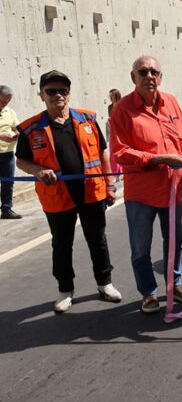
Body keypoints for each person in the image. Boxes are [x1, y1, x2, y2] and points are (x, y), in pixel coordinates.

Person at [15, 71, 121, 313]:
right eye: (51, 91)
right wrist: (38, 170)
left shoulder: (88, 119)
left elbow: (103, 153)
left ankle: (105, 283)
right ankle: (65, 290)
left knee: (98, 240)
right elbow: (21, 161)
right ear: (42, 95)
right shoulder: (31, 129)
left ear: (69, 94)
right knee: (61, 244)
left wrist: (110, 185)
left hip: (91, 193)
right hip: (56, 196)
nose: (58, 95)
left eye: (63, 90)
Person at [110, 55, 182, 314]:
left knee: (175, 242)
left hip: (174, 190)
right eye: (143, 72)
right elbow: (120, 151)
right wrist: (159, 159)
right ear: (133, 77)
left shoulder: (170, 102)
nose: (149, 76)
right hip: (141, 194)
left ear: (161, 77)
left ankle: (175, 284)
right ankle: (148, 293)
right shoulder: (123, 109)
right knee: (141, 247)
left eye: (154, 72)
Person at [0, 85, 21, 219]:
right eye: (2, 102)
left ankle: (7, 209)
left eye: (7, 102)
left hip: (7, 153)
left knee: (8, 182)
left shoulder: (10, 112)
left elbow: (16, 127)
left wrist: (17, 134)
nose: (4, 105)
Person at [106, 89, 123, 180]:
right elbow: (110, 118)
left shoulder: (122, 104)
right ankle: (116, 172)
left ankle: (123, 171)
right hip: (114, 130)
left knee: (122, 150)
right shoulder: (109, 107)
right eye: (109, 96)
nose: (110, 98)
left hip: (122, 131)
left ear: (116, 95)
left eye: (111, 96)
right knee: (113, 151)